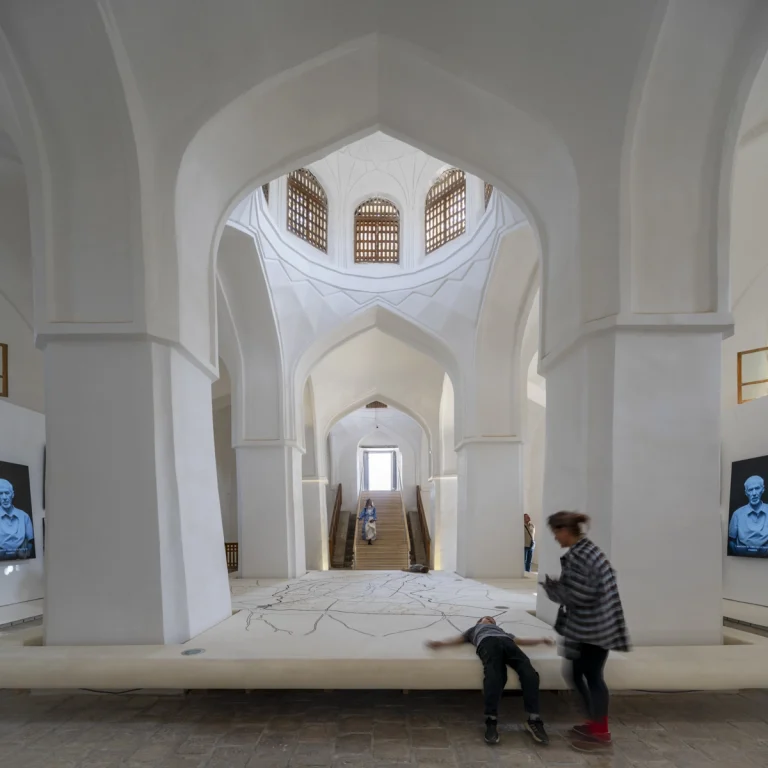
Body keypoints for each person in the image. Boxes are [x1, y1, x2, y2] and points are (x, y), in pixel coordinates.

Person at [541, 511, 630, 753]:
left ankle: (601, 733)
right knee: (579, 672)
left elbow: (580, 594)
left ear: (565, 531)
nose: (556, 539)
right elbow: (585, 587)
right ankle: (595, 723)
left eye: (556, 533)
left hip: (594, 628)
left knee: (590, 676)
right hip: (598, 625)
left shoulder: (579, 556)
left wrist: (552, 589)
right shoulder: (588, 550)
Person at [426, 617, 552, 746]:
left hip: (508, 643)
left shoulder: (502, 631)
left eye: (492, 620)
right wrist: (440, 643)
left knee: (529, 674)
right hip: (488, 643)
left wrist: (541, 640)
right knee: (495, 675)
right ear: (479, 622)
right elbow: (456, 639)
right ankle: (491, 720)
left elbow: (521, 640)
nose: (490, 620)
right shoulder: (473, 630)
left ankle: (534, 719)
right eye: (486, 619)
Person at [729, 475, 768, 554]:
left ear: (763, 489)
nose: (754, 493)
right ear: (746, 493)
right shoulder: (737, 514)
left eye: (757, 488)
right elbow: (731, 541)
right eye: (750, 490)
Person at [0, 479, 34, 560]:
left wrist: (24, 557)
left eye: (7, 493)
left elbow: (30, 541)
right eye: (0, 493)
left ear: (12, 494)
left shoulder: (24, 516)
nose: (4, 497)